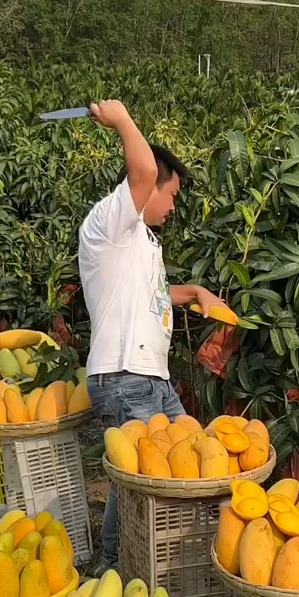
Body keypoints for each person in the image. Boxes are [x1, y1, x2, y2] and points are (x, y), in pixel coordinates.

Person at [79, 99, 228, 570]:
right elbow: (142, 170)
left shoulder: (142, 242)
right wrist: (121, 120)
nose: (173, 206)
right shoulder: (110, 222)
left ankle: (164, 562)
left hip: (152, 380)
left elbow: (157, 293)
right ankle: (113, 565)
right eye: (173, 195)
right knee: (137, 481)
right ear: (149, 189)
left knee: (186, 460)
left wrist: (198, 292)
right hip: (125, 378)